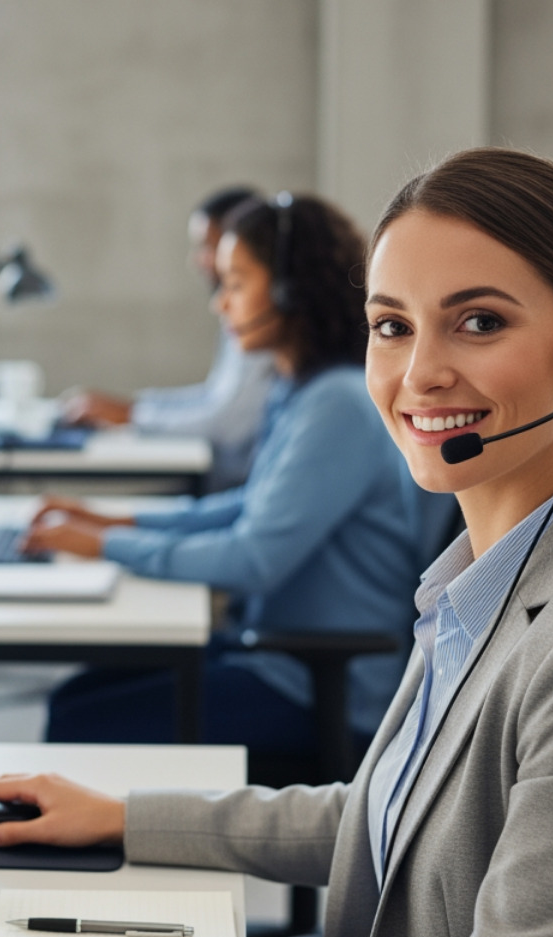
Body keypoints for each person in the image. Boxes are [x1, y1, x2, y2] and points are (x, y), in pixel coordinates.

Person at [0, 149, 553, 937]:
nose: (420, 372)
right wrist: (123, 817)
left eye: (478, 322)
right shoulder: (490, 580)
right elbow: (387, 813)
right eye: (392, 325)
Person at [27, 193, 455, 755]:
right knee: (76, 696)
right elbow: (250, 505)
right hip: (276, 656)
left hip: (322, 690)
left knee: (77, 720)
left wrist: (107, 545)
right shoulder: (300, 389)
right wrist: (115, 521)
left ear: (288, 290)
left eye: (235, 283)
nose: (220, 303)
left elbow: (252, 559)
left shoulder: (339, 406)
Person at [61, 186, 279, 489]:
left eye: (207, 247)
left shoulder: (269, 331)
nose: (198, 261)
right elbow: (214, 397)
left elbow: (225, 422)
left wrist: (133, 416)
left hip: (229, 484)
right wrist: (134, 408)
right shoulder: (242, 317)